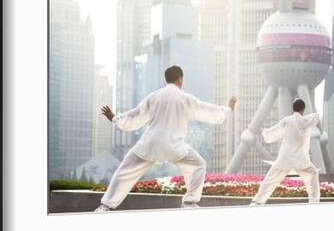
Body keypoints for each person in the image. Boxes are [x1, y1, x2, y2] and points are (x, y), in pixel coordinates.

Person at [94, 65, 238, 212]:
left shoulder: (154, 97)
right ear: (180, 79)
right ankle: (189, 203)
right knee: (198, 165)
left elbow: (135, 116)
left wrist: (115, 119)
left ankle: (105, 206)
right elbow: (206, 110)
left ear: (167, 79)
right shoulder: (185, 98)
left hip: (150, 145)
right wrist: (227, 110)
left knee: (124, 171)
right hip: (174, 147)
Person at [250, 98, 321, 206]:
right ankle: (314, 201)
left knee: (270, 179)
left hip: (285, 158)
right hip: (300, 160)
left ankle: (258, 201)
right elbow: (316, 116)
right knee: (313, 173)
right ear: (303, 109)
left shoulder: (286, 121)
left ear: (293, 109)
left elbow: (273, 133)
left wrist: (265, 132)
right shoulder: (307, 120)